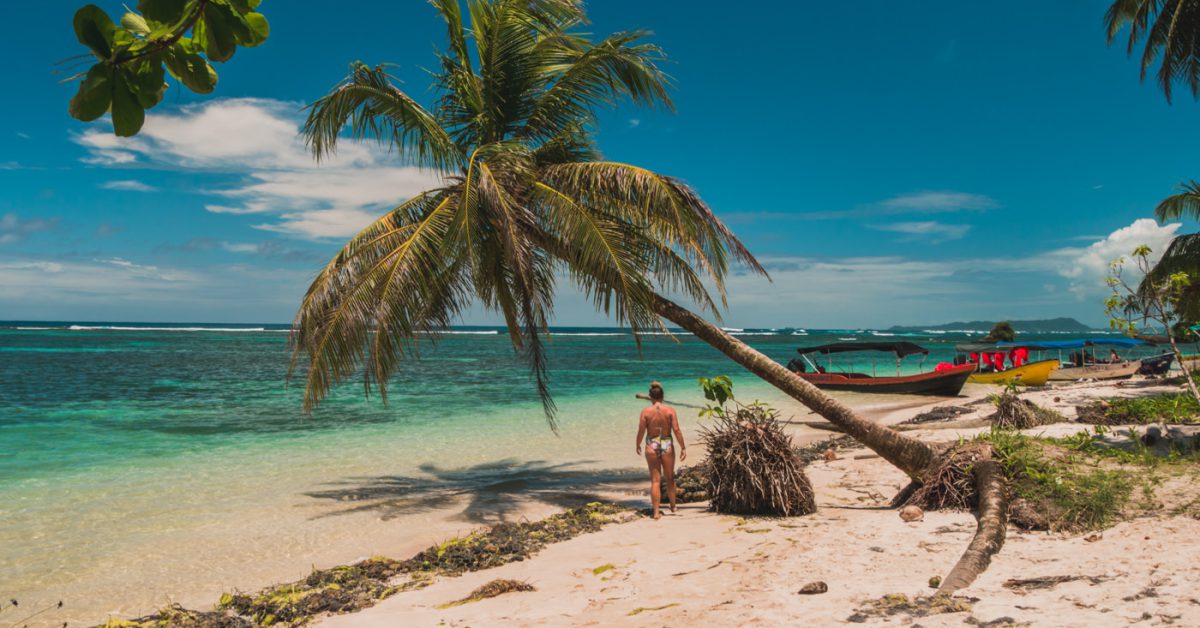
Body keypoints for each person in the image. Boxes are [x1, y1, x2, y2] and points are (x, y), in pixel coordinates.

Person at [635, 381, 686, 520]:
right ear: (662, 397)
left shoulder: (645, 412)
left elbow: (641, 430)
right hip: (667, 443)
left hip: (652, 444)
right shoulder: (670, 410)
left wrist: (638, 444)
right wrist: (683, 447)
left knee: (655, 481)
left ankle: (656, 512)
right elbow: (676, 430)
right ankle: (673, 506)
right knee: (670, 478)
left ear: (650, 397)